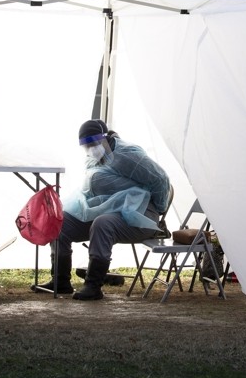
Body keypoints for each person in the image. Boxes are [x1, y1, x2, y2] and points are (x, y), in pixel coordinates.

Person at [54, 119, 171, 301]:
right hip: (106, 211)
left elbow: (161, 180)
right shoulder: (95, 159)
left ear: (105, 138)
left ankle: (93, 286)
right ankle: (60, 281)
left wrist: (159, 211)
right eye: (86, 146)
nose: (91, 148)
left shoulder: (127, 156)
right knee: (61, 222)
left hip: (138, 216)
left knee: (103, 224)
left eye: (93, 143)